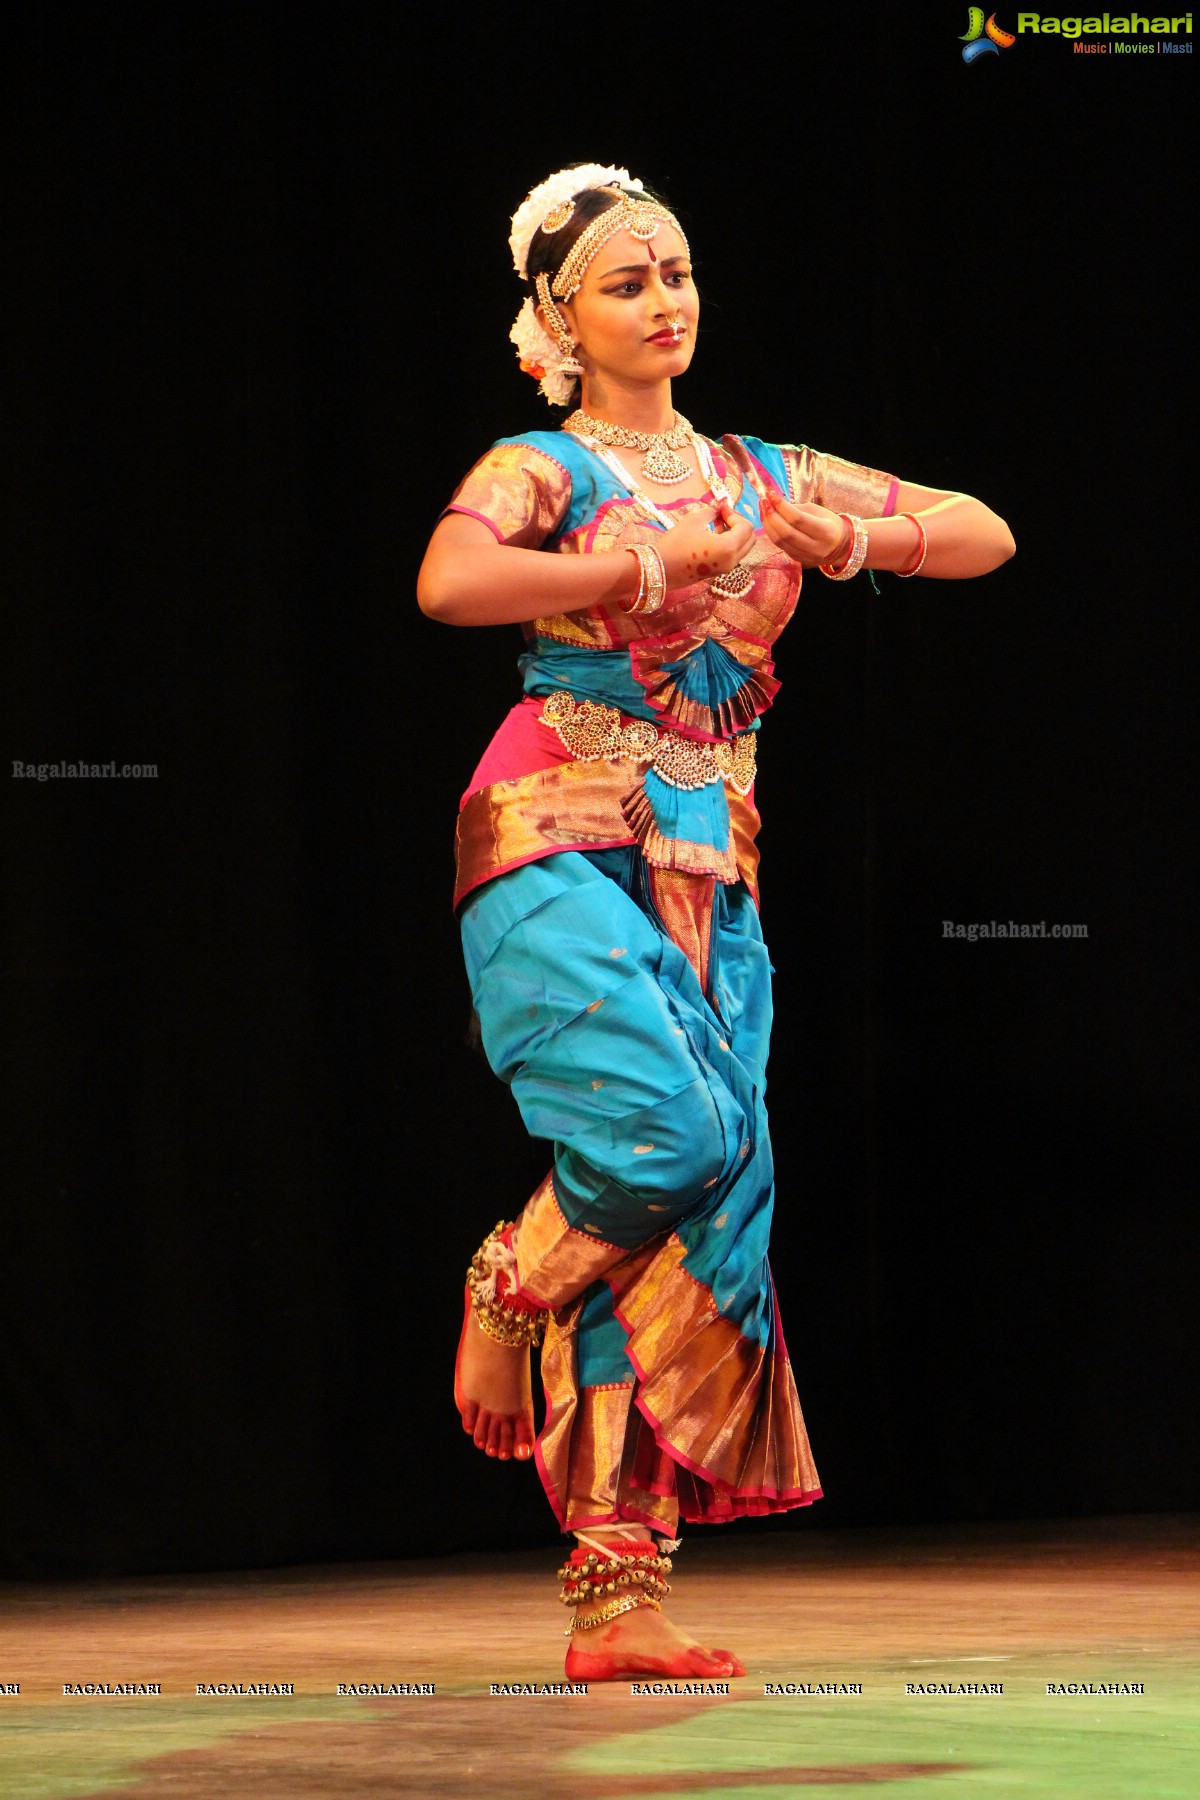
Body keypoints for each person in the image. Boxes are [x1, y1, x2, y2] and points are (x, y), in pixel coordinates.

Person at [417, 163, 1014, 1681]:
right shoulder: (541, 464)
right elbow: (452, 580)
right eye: (625, 282)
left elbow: (985, 530)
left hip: (710, 865)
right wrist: (635, 566)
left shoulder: (765, 470)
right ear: (556, 313)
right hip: (556, 827)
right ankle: (509, 1282)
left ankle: (619, 1603)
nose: (664, 301)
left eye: (677, 272)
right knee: (667, 1139)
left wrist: (855, 544)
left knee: (697, 1199)